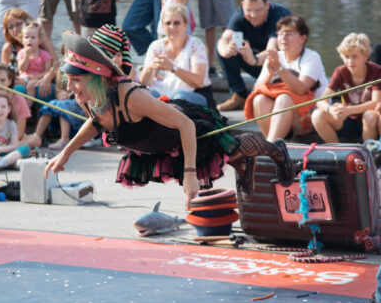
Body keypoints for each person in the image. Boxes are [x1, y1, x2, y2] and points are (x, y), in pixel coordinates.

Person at [44, 29, 296, 206]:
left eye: (76, 80)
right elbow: (97, 122)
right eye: (70, 80)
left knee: (228, 147)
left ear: (96, 77)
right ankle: (243, 164)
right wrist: (65, 153)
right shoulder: (91, 97)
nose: (71, 86)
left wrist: (189, 174)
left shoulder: (132, 96)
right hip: (160, 142)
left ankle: (277, 151)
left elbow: (185, 125)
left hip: (185, 126)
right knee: (228, 155)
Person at [244, 15, 328, 141]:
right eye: (280, 33)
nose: (283, 38)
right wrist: (270, 74)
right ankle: (272, 145)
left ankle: (270, 146)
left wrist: (279, 68)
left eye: (289, 34)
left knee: (284, 98)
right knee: (259, 99)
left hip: (310, 116)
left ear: (303, 38)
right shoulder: (275, 56)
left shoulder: (311, 57)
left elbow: (301, 89)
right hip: (281, 115)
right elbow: (257, 87)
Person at [216, 0, 291, 112]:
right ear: (243, 5)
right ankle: (239, 94)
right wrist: (226, 50)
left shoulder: (281, 15)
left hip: (279, 66)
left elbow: (272, 50)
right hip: (254, 60)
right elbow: (225, 38)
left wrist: (254, 59)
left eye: (258, 10)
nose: (253, 15)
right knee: (222, 48)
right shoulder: (240, 14)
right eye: (249, 10)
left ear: (267, 5)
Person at [312, 33, 381, 143]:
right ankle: (338, 152)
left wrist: (348, 110)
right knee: (317, 115)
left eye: (354, 57)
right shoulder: (340, 71)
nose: (349, 61)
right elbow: (321, 101)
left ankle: (368, 152)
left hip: (369, 122)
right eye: (346, 57)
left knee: (370, 115)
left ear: (366, 56)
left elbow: (376, 102)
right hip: (347, 121)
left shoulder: (376, 71)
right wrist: (331, 109)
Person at [140, 3, 212, 107]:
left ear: (185, 24)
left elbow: (199, 82)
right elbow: (143, 83)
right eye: (168, 23)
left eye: (176, 23)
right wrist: (150, 68)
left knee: (179, 97)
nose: (172, 27)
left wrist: (173, 68)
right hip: (161, 97)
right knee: (146, 94)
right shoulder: (155, 46)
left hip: (192, 95)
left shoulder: (195, 44)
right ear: (163, 26)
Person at [17, 21, 54, 107]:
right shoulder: (22, 53)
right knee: (16, 82)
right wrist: (27, 56)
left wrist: (36, 77)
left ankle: (27, 108)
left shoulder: (44, 55)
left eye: (33, 38)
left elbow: (47, 71)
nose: (29, 40)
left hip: (38, 79)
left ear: (39, 40)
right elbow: (22, 69)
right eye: (26, 37)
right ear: (22, 39)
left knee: (30, 85)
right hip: (24, 78)